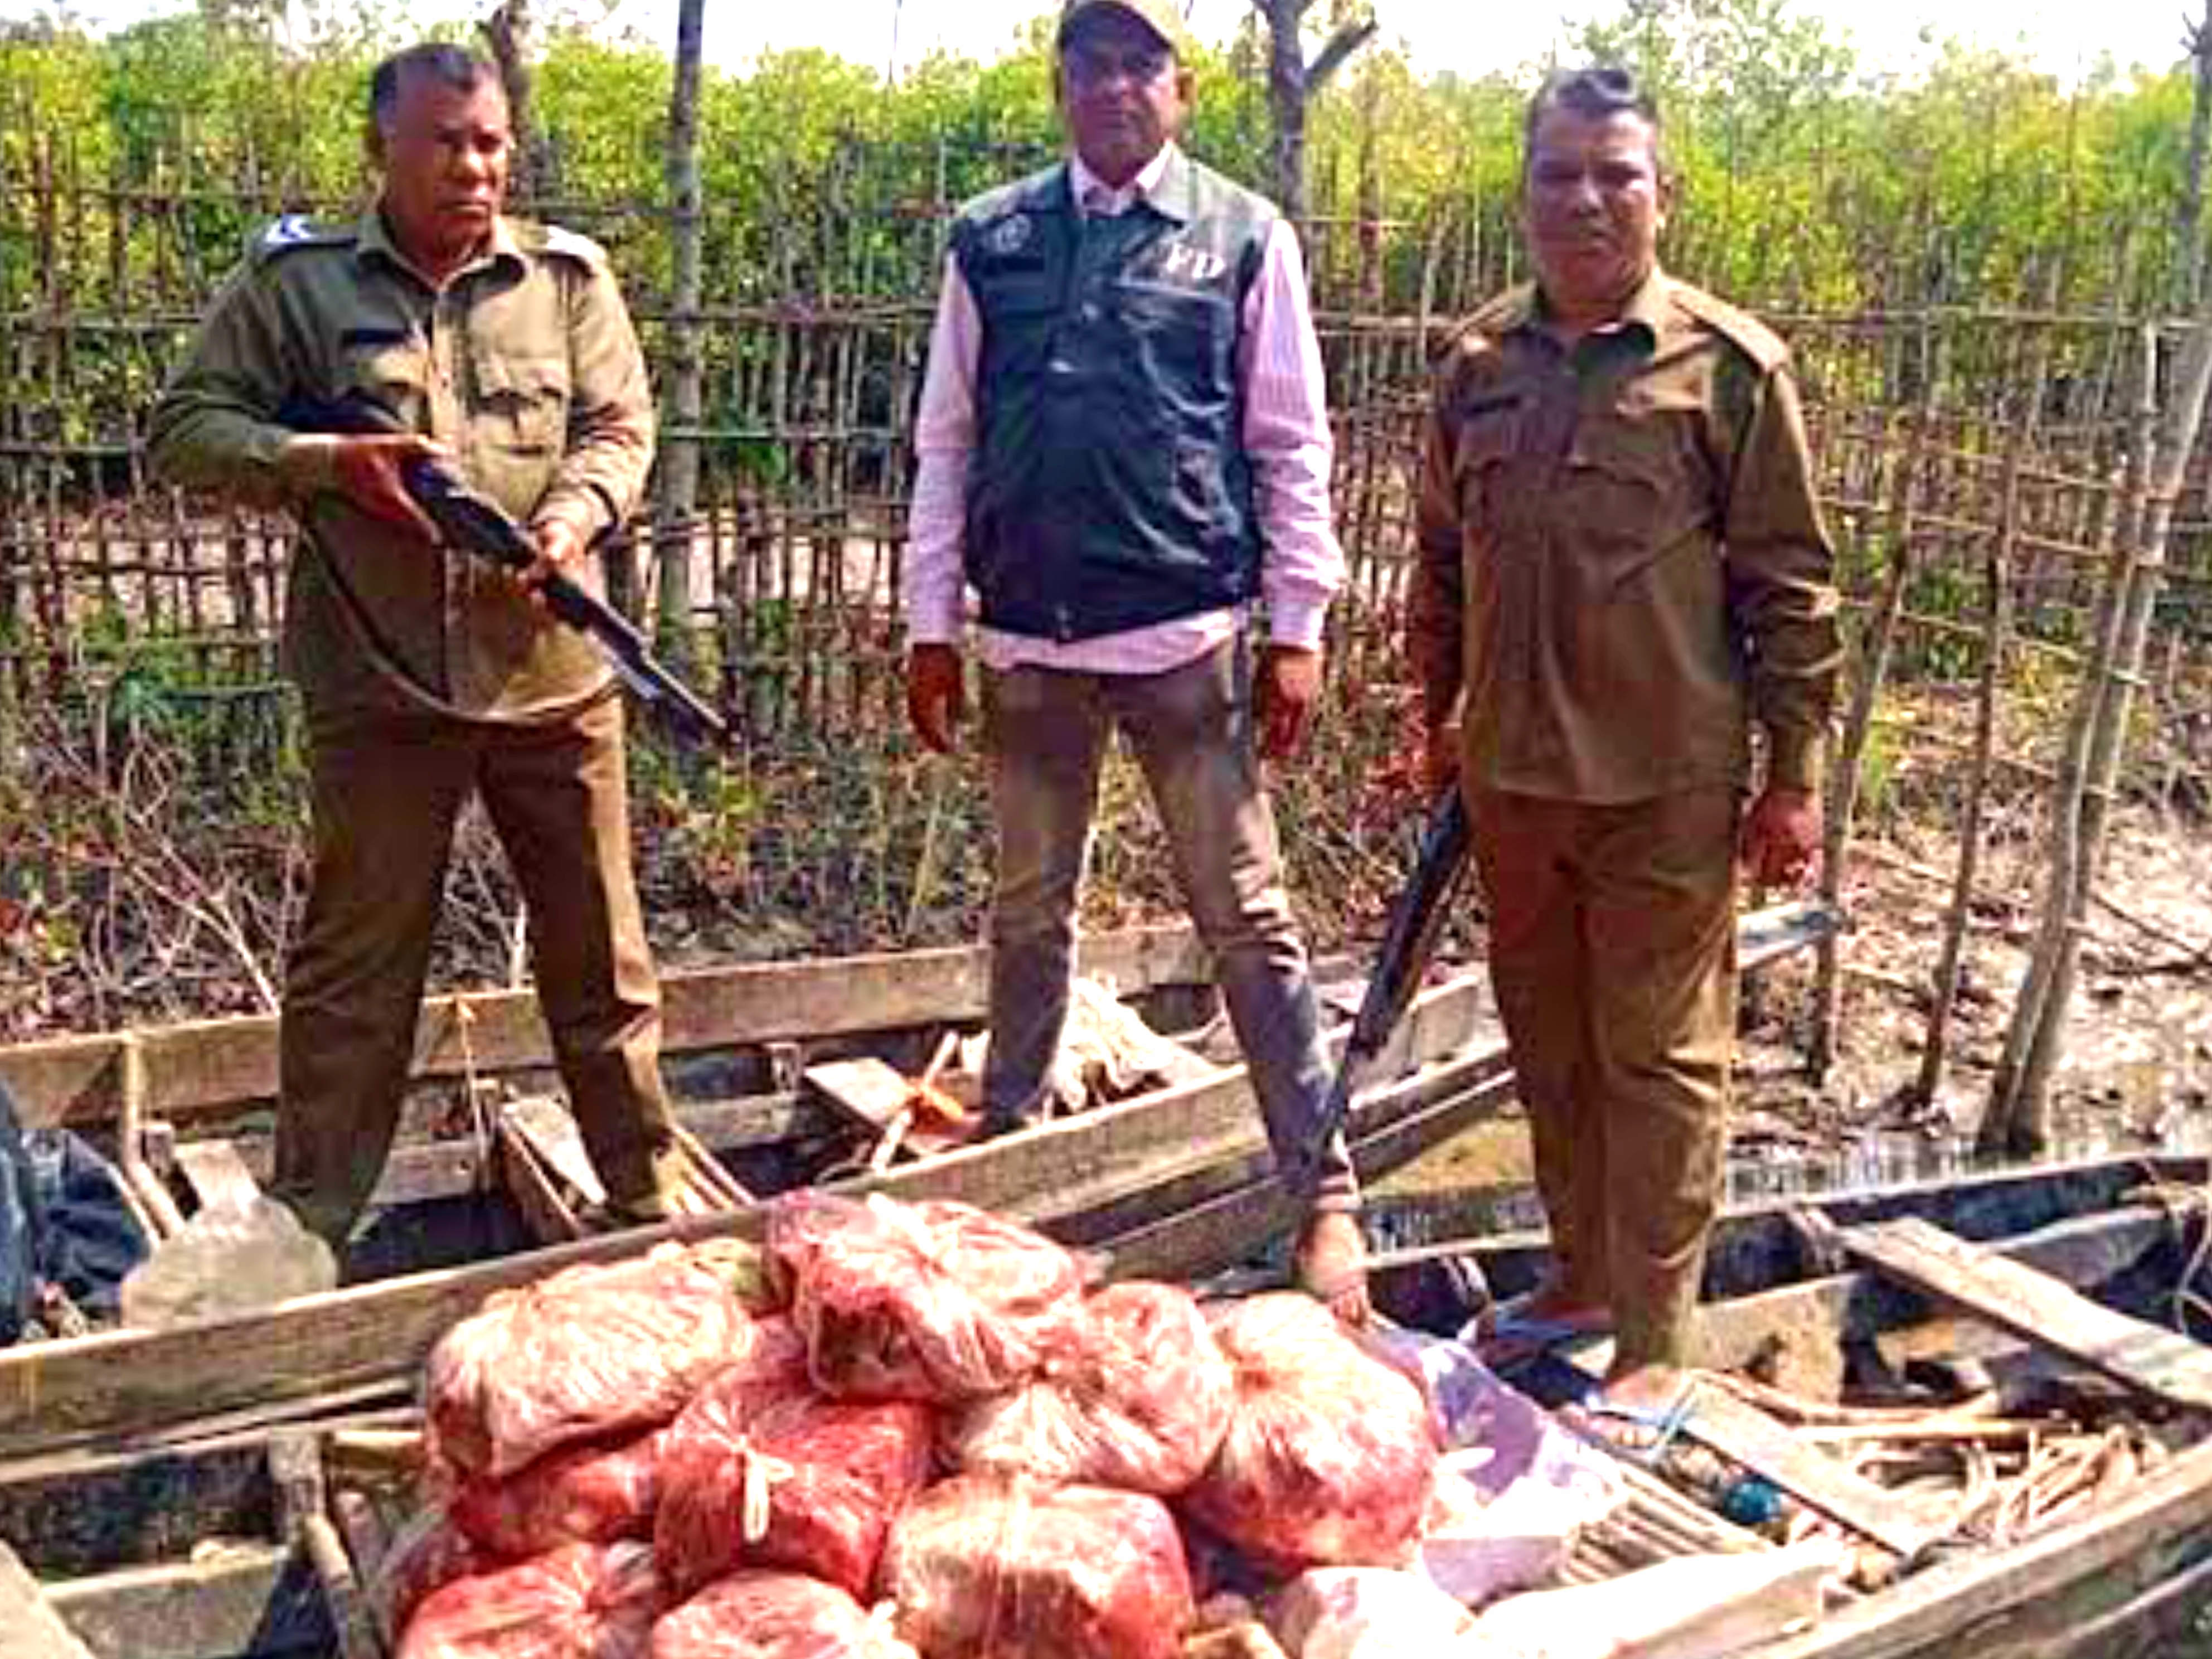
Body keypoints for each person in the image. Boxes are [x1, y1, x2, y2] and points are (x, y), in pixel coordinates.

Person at [148, 42, 683, 1248]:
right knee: (356, 975)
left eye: (490, 141)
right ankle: (313, 1233)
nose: (473, 166)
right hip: (379, 681)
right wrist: (320, 464)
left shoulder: (565, 279)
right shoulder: (300, 288)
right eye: (444, 140)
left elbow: (618, 426)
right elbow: (182, 429)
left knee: (603, 963)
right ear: (378, 149)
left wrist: (572, 516)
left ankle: (650, 1203)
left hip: (548, 677)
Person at [903, 0, 1367, 1314]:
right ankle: (1009, 1166)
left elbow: (1290, 443)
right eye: (1089, 63)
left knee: (1249, 920)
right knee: (1024, 910)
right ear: (1058, 86)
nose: (1112, 86)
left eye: (1138, 63)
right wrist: (931, 623)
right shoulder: (990, 240)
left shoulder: (1240, 236)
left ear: (1182, 88)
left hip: (1186, 638)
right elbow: (946, 441)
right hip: (1028, 641)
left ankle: (1323, 1194)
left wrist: (1298, 626)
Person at [1407, 66, 1844, 1420]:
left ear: (1662, 195)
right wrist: (1433, 720)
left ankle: (1656, 1340)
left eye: (1616, 175)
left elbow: (1791, 586)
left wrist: (1795, 780)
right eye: (1559, 174)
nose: (1586, 199)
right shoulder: (1478, 365)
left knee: (1660, 1061)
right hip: (1517, 787)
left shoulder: (1726, 371)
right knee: (1549, 1044)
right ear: (1523, 192)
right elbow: (1441, 565)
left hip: (1666, 783)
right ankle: (1581, 1284)